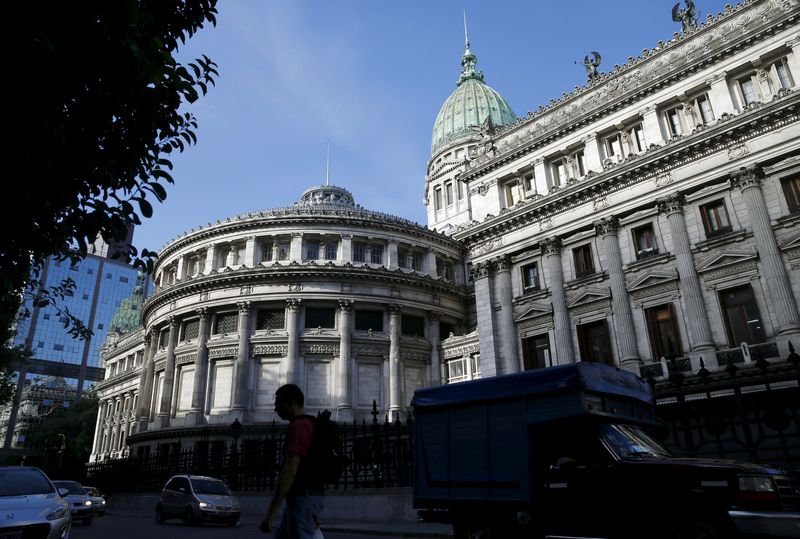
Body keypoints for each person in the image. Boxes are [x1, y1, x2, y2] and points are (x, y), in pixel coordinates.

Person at [261, 384, 324, 538]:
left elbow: (290, 470)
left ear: (291, 403)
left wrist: (271, 514)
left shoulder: (300, 427)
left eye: (278, 404)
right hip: (303, 499)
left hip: (303, 499)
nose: (276, 410)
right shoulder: (308, 425)